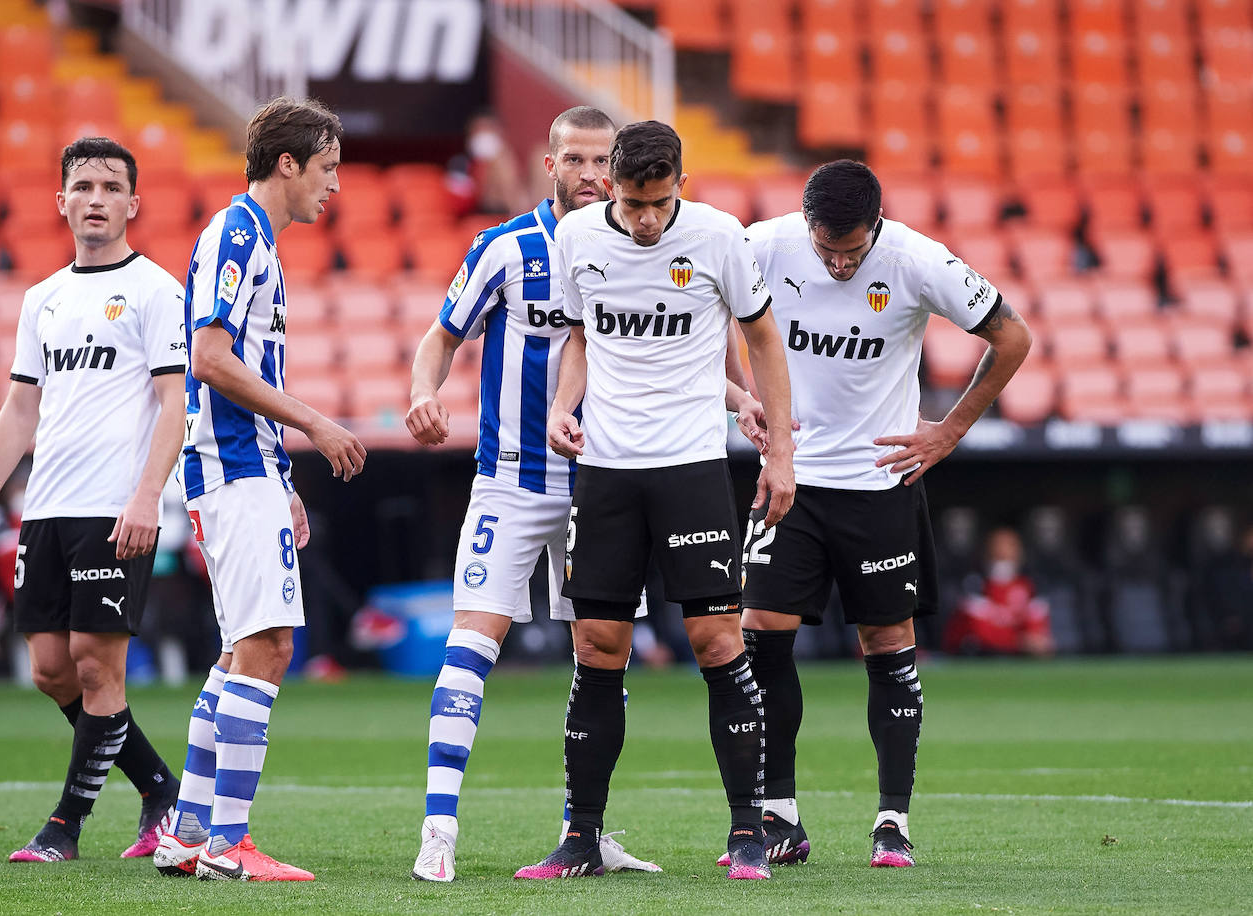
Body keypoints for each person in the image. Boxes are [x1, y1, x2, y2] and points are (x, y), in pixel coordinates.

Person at [514, 120, 796, 881]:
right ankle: (582, 837)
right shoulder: (577, 239)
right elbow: (577, 337)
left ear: (679, 183)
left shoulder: (718, 237)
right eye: (633, 204)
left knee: (716, 642)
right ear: (612, 186)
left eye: (658, 204)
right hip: (606, 472)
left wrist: (779, 455)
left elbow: (764, 339)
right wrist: (561, 407)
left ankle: (747, 832)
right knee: (596, 648)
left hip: (692, 467)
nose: (645, 220)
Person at [739, 159, 1033, 869]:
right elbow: (701, 309)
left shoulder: (915, 259)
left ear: (877, 226)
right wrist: (734, 392)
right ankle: (780, 815)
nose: (839, 263)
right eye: (826, 247)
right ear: (805, 224)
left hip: (880, 484)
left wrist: (950, 430)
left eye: (853, 248)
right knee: (760, 635)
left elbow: (1013, 337)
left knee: (887, 645)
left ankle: (892, 821)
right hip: (791, 480)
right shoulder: (762, 245)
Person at [405, 105, 662, 882]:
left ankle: (586, 831)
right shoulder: (506, 248)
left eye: (602, 163)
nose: (591, 176)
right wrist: (423, 391)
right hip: (512, 479)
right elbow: (445, 334)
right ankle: (438, 829)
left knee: (603, 655)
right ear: (549, 164)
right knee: (471, 645)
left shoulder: (643, 248)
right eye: (576, 161)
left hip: (606, 486)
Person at [151, 96, 367, 883]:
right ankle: (229, 845)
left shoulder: (258, 244)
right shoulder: (238, 233)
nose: (334, 186)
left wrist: (281, 475)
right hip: (230, 470)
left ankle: (186, 832)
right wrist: (312, 423)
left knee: (239, 647)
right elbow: (208, 358)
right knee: (270, 648)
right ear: (288, 162)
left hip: (249, 471)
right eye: (328, 167)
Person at [0, 136, 186, 863]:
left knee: (96, 665)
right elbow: (20, 408)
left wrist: (148, 496)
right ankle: (159, 788)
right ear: (61, 201)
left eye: (111, 187)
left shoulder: (155, 289)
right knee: (51, 671)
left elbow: (173, 401)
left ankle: (65, 828)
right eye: (83, 186)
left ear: (132, 203)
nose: (96, 198)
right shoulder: (42, 300)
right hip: (47, 510)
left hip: (115, 506)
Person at [944, 527, 1054, 657]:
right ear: (986, 551)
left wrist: (1034, 642)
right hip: (973, 658)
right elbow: (981, 633)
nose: (1002, 551)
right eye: (997, 546)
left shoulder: (1031, 586)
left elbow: (1037, 630)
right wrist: (1019, 642)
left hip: (1016, 659)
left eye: (1010, 546)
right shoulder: (973, 585)